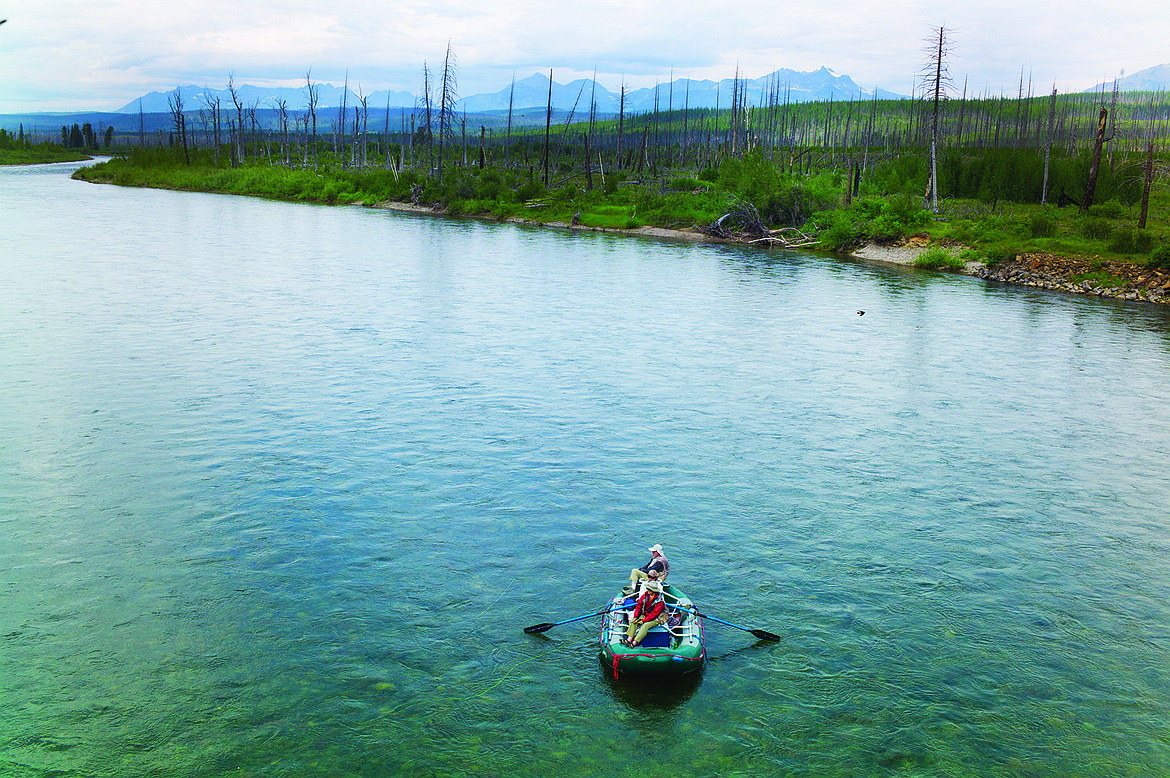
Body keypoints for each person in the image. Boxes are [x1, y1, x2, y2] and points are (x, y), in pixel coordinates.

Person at [622, 581, 667, 647]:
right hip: (645, 615)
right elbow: (638, 607)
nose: (647, 590)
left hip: (656, 619)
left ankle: (634, 642)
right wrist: (636, 617)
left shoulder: (659, 601)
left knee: (645, 626)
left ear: (653, 591)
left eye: (649, 589)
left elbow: (654, 614)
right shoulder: (645, 596)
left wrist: (643, 620)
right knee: (634, 621)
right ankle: (629, 639)